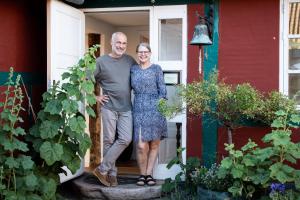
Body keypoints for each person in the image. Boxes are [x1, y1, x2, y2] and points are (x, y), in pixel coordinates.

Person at [93, 32, 137, 187]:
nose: (121, 46)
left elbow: (138, 76)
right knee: (109, 141)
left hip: (126, 108)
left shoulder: (130, 60)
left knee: (126, 139)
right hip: (109, 107)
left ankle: (102, 169)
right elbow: (84, 80)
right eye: (118, 42)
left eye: (124, 43)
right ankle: (111, 174)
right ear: (111, 43)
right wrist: (95, 97)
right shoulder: (101, 61)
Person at [130, 43, 168, 186]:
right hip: (139, 107)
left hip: (155, 108)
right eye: (140, 52)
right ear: (137, 53)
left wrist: (160, 105)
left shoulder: (156, 69)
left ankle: (148, 175)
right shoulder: (133, 69)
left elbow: (163, 90)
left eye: (146, 52)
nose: (143, 54)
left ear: (150, 53)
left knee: (154, 144)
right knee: (141, 145)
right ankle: (142, 174)